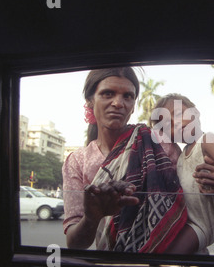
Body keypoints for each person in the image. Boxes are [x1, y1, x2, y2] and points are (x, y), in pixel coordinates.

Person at [62, 67, 187, 252]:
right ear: (90, 101)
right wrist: (91, 218)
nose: (118, 103)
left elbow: (190, 201)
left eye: (127, 96)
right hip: (113, 264)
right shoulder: (77, 161)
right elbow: (74, 243)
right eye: (107, 94)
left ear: (133, 105)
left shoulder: (158, 143)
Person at [150, 93, 214, 253]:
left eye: (178, 114)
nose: (177, 123)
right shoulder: (180, 157)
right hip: (185, 221)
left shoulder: (207, 140)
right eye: (168, 124)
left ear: (195, 112)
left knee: (169, 258)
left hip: (201, 225)